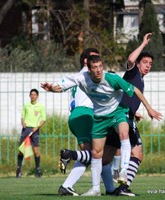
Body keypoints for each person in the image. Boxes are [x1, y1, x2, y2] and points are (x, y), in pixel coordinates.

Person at [41, 55, 162, 196]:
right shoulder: (81, 78)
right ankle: (96, 188)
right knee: (97, 154)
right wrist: (51, 89)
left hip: (117, 113)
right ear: (89, 69)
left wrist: (149, 109)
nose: (98, 70)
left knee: (124, 133)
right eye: (95, 67)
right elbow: (61, 87)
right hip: (99, 116)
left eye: (100, 66)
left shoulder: (111, 78)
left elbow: (134, 90)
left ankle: (123, 172)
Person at [58, 48, 119, 196]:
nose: (97, 65)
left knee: (97, 155)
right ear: (86, 62)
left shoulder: (79, 76)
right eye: (93, 60)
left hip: (76, 116)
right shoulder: (87, 75)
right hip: (86, 115)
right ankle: (70, 158)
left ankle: (109, 189)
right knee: (94, 154)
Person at [110, 32, 155, 195]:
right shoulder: (132, 71)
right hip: (121, 116)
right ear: (138, 63)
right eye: (145, 62)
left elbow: (128, 96)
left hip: (127, 116)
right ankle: (122, 187)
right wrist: (143, 44)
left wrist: (134, 113)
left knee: (105, 155)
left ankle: (120, 187)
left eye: (150, 63)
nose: (148, 65)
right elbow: (129, 60)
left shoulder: (140, 79)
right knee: (136, 153)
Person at [16, 89, 46, 178]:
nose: (33, 96)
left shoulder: (40, 106)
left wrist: (37, 127)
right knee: (21, 150)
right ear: (30, 96)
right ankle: (18, 169)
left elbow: (43, 119)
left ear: (37, 96)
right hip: (26, 130)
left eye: (34, 94)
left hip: (34, 130)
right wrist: (23, 123)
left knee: (36, 150)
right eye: (31, 94)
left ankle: (37, 170)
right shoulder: (26, 106)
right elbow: (22, 116)